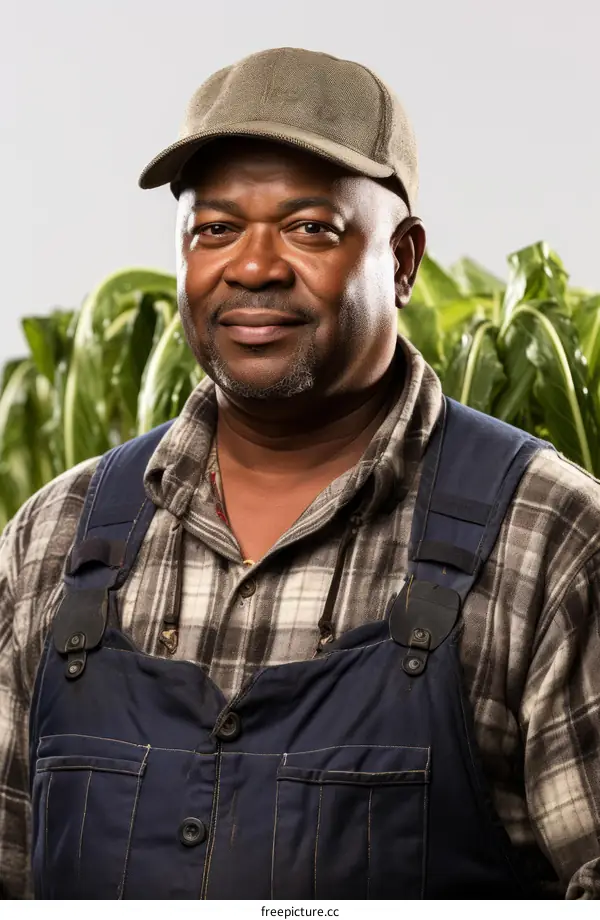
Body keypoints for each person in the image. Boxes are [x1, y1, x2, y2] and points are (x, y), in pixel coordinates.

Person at [1, 46, 599, 902]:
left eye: (310, 227)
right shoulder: (55, 538)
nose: (253, 266)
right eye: (216, 229)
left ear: (402, 260)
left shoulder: (548, 537)